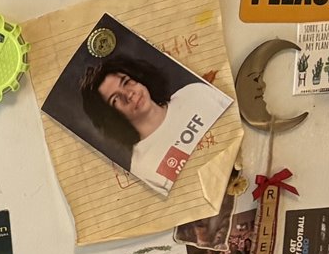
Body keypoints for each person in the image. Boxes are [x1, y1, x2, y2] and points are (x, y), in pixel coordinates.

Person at [78, 53, 227, 190]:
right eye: (115, 99)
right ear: (110, 116)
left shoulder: (195, 93)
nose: (129, 94)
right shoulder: (142, 169)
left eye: (127, 82)